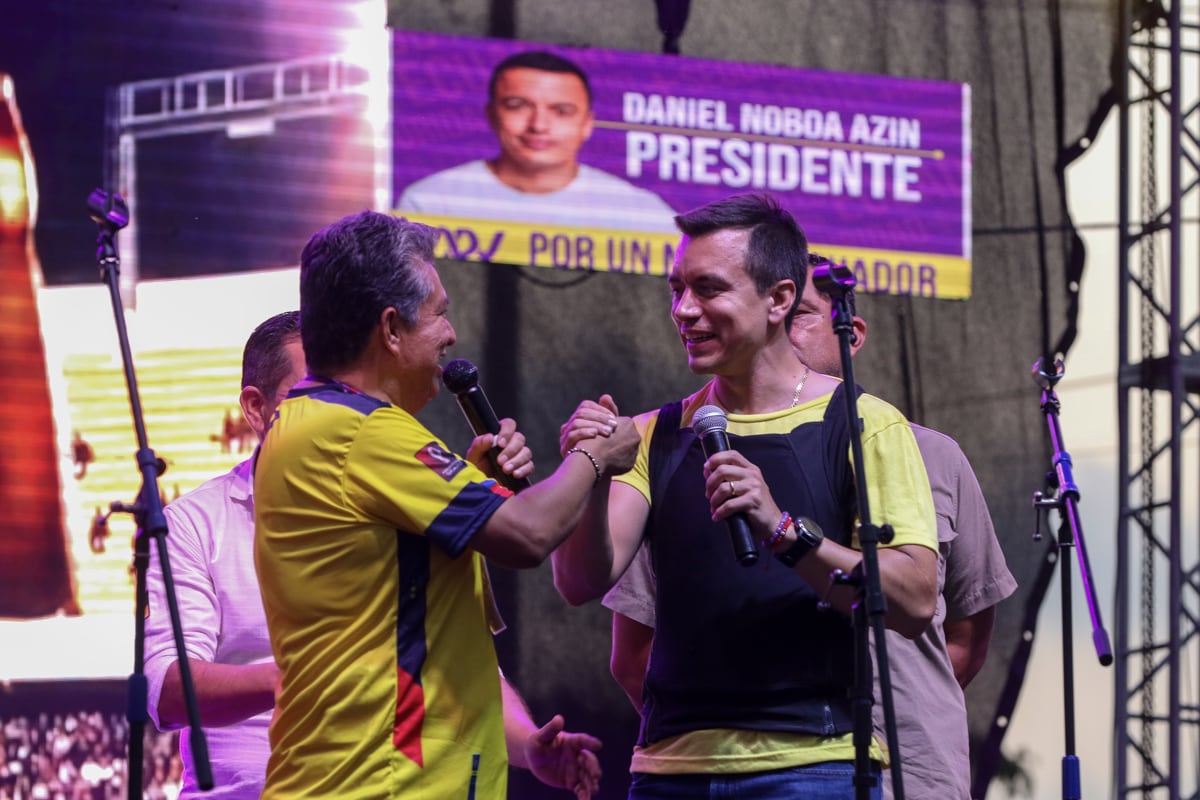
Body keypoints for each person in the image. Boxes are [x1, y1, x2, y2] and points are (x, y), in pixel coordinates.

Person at [551, 192, 939, 798]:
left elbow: (914, 598)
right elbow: (579, 583)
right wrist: (593, 472)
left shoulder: (864, 422)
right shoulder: (655, 433)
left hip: (813, 766)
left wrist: (784, 530)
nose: (684, 309)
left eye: (708, 289)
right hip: (668, 770)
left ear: (780, 299)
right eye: (676, 289)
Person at [253, 211, 641, 799]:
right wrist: (596, 456)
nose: (451, 335)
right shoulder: (359, 431)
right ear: (390, 328)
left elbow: (437, 646)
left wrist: (523, 743)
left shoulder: (318, 424)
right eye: (439, 312)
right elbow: (530, 535)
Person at [145, 310, 610, 799]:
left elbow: (456, 659)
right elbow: (167, 691)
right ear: (256, 408)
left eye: (340, 399)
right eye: (305, 398)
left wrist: (527, 746)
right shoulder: (196, 524)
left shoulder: (391, 492)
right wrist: (299, 678)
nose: (326, 415)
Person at [601, 256, 1019, 799]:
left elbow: (966, 629)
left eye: (800, 315)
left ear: (851, 333)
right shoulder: (694, 449)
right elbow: (634, 654)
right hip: (756, 764)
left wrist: (897, 714)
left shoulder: (933, 453)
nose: (782, 331)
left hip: (914, 767)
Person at [396, 50, 677, 233]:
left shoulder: (643, 213)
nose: (538, 126)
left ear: (587, 124)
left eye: (561, 111)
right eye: (518, 106)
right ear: (492, 115)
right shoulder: (430, 202)